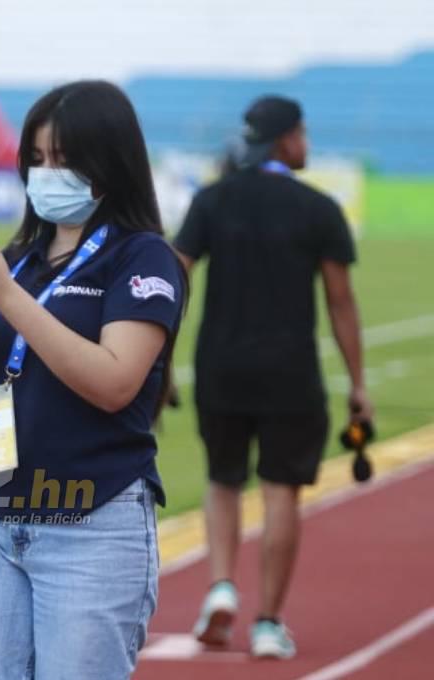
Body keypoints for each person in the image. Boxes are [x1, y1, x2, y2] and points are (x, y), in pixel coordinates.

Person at [0, 80, 186, 680]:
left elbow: (115, 381)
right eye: (37, 160)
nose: (47, 174)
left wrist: (7, 297)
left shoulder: (142, 257)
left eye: (65, 161)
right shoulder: (15, 258)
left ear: (109, 163)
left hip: (91, 523)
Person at [174, 95, 373, 659]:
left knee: (223, 479)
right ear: (284, 140)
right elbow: (341, 303)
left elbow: (174, 279)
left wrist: (160, 362)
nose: (305, 144)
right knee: (281, 490)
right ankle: (267, 622)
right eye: (302, 134)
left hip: (221, 366)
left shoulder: (211, 200)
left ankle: (219, 587)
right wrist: (358, 385)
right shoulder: (317, 207)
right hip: (290, 372)